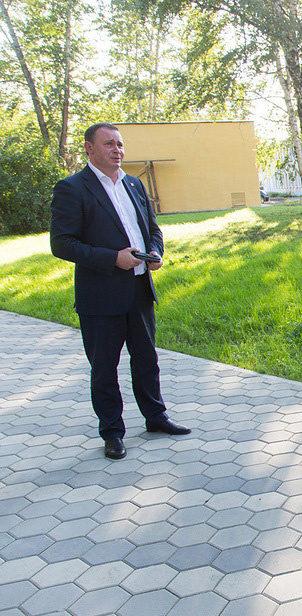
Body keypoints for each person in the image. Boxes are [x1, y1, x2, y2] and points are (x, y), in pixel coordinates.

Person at [50, 122, 190, 460]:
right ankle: (112, 432)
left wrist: (155, 252)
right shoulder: (72, 188)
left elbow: (152, 230)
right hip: (100, 297)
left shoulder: (134, 184)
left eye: (120, 144)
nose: (118, 150)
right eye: (109, 144)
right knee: (104, 368)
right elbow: (62, 244)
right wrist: (114, 258)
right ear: (89, 148)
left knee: (147, 359)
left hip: (139, 289)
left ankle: (155, 417)